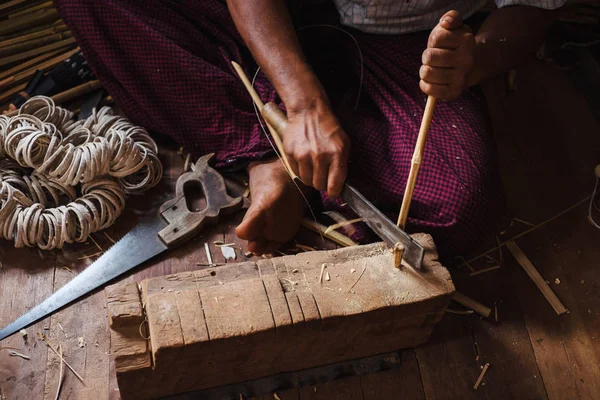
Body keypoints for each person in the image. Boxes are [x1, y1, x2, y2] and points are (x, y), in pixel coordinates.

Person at [53, 0, 564, 259]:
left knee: (455, 212)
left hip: (406, 43)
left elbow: (535, 10)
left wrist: (473, 59)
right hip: (271, 15)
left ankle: (302, 161)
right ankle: (267, 151)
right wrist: (303, 104)